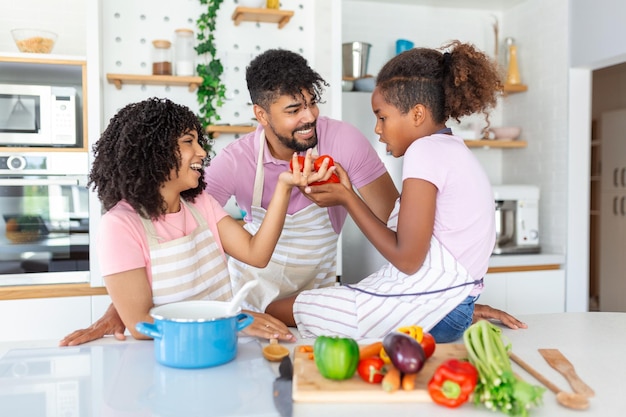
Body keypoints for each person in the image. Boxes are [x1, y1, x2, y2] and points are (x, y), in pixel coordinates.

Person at [60, 49, 525, 346]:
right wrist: (122, 310)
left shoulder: (344, 142)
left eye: (312, 103)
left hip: (315, 292)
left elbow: (398, 225)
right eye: (293, 109)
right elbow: (167, 219)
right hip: (245, 301)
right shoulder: (233, 164)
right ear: (261, 114)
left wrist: (437, 298)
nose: (310, 118)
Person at [268, 41, 510, 342]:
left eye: (382, 117)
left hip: (434, 307)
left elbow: (407, 259)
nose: (377, 129)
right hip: (450, 305)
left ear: (417, 115)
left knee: (277, 309)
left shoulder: (425, 151)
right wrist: (346, 190)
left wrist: (347, 197)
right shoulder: (453, 150)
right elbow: (415, 234)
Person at [60, 97, 324, 344]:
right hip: (168, 357)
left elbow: (257, 253)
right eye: (189, 141)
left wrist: (284, 186)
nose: (201, 152)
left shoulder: (200, 204)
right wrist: (229, 321)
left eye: (199, 142)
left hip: (221, 347)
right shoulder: (120, 225)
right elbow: (141, 325)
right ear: (155, 151)